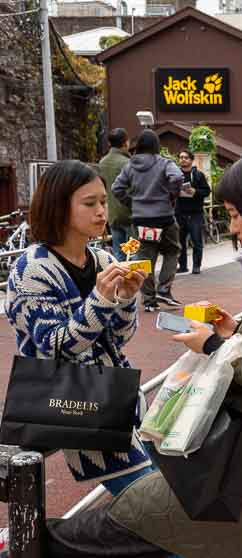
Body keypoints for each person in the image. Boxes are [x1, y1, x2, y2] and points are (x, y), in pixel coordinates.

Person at [45, 151, 242, 557]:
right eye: (91, 203)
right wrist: (236, 331)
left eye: (235, 213)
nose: (234, 226)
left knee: (114, 525)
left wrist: (212, 344)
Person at [5, 160, 153, 497]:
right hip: (76, 406)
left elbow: (117, 339)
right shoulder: (32, 269)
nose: (102, 212)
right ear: (59, 207)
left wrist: (127, 301)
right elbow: (57, 345)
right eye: (90, 203)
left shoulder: (101, 260)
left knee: (161, 498)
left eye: (103, 201)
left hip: (115, 397)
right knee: (151, 503)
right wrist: (101, 298)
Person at [112, 129, 184, 311]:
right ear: (156, 146)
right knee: (172, 250)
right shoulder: (164, 163)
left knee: (145, 258)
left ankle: (149, 300)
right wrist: (171, 196)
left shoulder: (129, 166)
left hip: (141, 219)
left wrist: (132, 202)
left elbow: (116, 188)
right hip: (164, 218)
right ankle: (164, 289)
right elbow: (177, 177)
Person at [175, 149, 211, 275]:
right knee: (180, 241)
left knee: (197, 241)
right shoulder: (175, 174)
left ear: (191, 160)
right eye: (180, 157)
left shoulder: (198, 175)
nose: (182, 159)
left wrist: (195, 192)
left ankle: (196, 266)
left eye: (185, 157)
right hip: (179, 212)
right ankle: (182, 265)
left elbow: (207, 191)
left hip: (195, 213)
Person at [98, 128, 132, 261]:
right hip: (129, 214)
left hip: (111, 213)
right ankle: (133, 280)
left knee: (118, 253)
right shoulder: (127, 163)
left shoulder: (102, 162)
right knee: (132, 252)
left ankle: (120, 280)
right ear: (125, 143)